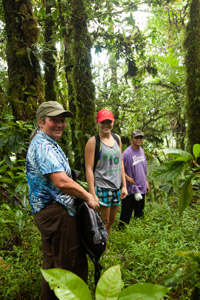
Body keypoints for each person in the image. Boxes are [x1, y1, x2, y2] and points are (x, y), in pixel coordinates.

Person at [26, 101, 99, 300]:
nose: (60, 124)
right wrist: (87, 196)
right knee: (70, 265)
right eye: (53, 120)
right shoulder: (43, 146)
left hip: (49, 213)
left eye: (62, 120)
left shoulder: (46, 143)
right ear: (41, 122)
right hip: (58, 213)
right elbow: (61, 182)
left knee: (53, 265)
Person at [84, 109, 128, 236]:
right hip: (102, 186)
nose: (106, 125)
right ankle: (99, 246)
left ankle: (105, 243)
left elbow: (120, 163)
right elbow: (89, 169)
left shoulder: (117, 139)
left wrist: (124, 186)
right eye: (103, 122)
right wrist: (92, 194)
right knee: (103, 221)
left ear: (113, 122)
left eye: (108, 122)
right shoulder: (93, 142)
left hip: (116, 187)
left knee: (112, 220)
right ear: (98, 123)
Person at [119, 130, 150, 228]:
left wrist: (146, 182)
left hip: (141, 187)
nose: (139, 140)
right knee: (126, 214)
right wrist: (127, 177)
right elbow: (119, 166)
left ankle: (138, 232)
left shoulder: (142, 151)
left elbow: (143, 168)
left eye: (140, 138)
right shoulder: (127, 153)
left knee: (140, 213)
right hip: (130, 188)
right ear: (132, 139)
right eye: (136, 137)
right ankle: (122, 231)